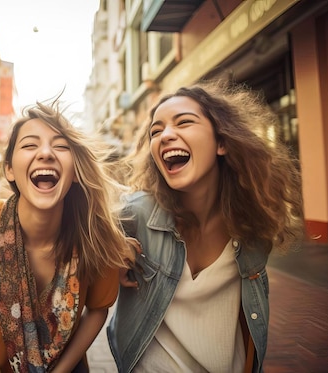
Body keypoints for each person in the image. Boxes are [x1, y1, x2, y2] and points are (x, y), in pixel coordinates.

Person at [107, 80, 305, 373]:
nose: (166, 135)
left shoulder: (251, 228)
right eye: (156, 131)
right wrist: (109, 246)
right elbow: (78, 237)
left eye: (184, 122)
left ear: (222, 142)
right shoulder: (135, 215)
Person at [0, 100, 134, 372]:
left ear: (75, 172)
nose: (46, 153)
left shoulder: (96, 236)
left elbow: (97, 309)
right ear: (10, 169)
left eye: (60, 146)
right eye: (30, 145)